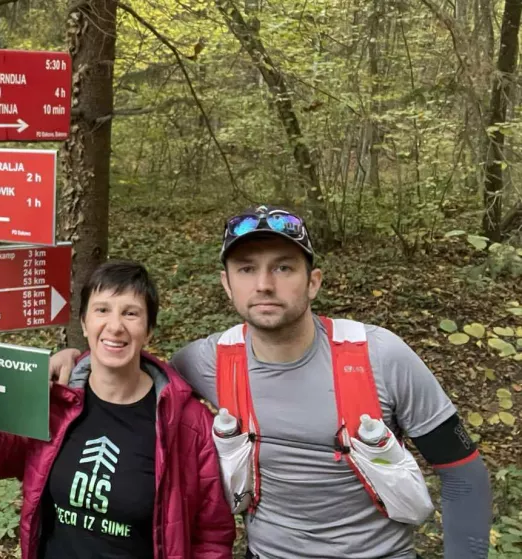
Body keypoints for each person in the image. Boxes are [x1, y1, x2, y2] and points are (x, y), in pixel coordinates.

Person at [51, 206, 492, 559]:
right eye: (246, 269)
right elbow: (131, 370)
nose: (264, 285)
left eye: (283, 268)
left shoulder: (379, 356)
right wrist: (77, 361)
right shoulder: (206, 361)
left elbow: (463, 474)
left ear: (313, 282)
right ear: (227, 285)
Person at [0, 260, 235, 559]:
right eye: (102, 310)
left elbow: (211, 535)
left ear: (149, 330)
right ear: (84, 323)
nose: (115, 326)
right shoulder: (57, 401)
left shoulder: (187, 423)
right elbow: (10, 457)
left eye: (131, 313)